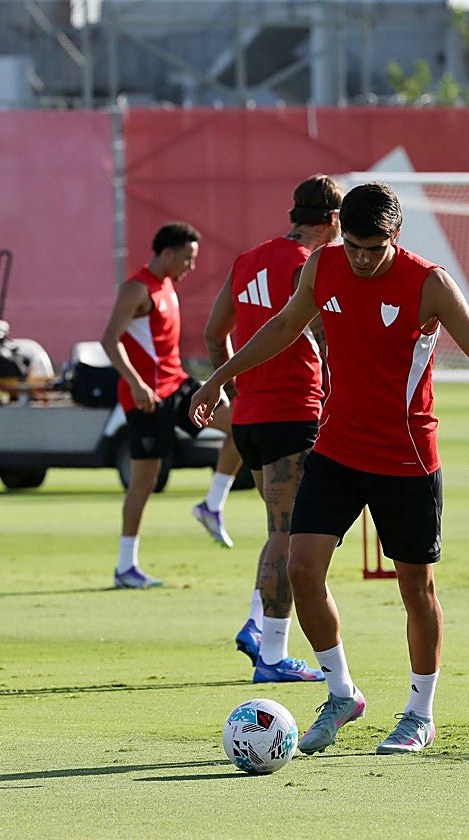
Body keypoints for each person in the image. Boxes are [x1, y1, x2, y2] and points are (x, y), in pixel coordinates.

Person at [190, 182, 469, 754]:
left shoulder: (429, 283)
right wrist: (218, 379)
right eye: (354, 246)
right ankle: (341, 693)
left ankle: (419, 713)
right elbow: (284, 326)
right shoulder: (323, 265)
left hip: (406, 458)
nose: (361, 259)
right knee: (302, 567)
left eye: (373, 249)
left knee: (416, 588)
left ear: (396, 236)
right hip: (336, 450)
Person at [202, 173, 343, 682]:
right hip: (292, 411)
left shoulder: (247, 259)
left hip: (250, 418)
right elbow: (329, 337)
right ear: (333, 219)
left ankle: (258, 625)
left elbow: (213, 334)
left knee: (279, 531)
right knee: (290, 534)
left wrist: (232, 390)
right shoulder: (309, 263)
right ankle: (273, 655)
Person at [101, 221, 205, 589]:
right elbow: (109, 339)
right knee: (145, 481)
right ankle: (125, 566)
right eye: (187, 258)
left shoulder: (167, 285)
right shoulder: (137, 288)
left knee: (239, 422)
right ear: (167, 253)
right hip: (147, 397)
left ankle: (213, 504)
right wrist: (136, 384)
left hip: (178, 384)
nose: (191, 266)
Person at [190, 401, 238, 549]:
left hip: (177, 388)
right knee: (241, 427)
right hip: (163, 394)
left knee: (241, 429)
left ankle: (213, 504)